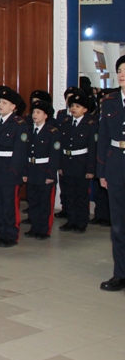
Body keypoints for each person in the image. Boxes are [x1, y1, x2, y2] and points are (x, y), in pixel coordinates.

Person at [0, 86, 29, 248]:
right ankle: (0, 232)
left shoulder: (19, 124)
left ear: (13, 106)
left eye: (4, 103)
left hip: (9, 169)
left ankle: (11, 235)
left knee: (9, 204)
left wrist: (14, 171)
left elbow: (20, 151)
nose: (0, 105)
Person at [98, 55, 125, 292]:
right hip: (116, 163)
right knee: (118, 223)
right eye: (120, 70)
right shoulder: (109, 102)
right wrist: (102, 171)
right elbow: (103, 138)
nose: (122, 74)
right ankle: (120, 274)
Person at [23, 100, 62, 240]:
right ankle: (34, 227)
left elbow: (55, 155)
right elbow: (25, 153)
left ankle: (44, 230)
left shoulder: (52, 132)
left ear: (45, 115)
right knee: (33, 200)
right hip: (32, 170)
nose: (34, 114)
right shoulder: (28, 130)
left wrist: (51, 174)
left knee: (45, 202)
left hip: (45, 170)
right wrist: (24, 172)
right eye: (33, 112)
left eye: (38, 112)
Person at [58, 92, 96, 234]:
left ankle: (81, 222)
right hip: (67, 162)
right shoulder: (66, 123)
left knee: (81, 195)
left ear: (85, 109)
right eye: (72, 105)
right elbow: (61, 146)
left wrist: (90, 169)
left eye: (78, 106)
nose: (73, 108)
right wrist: (60, 165)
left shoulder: (90, 124)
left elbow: (92, 148)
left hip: (81, 163)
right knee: (69, 194)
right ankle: (71, 220)